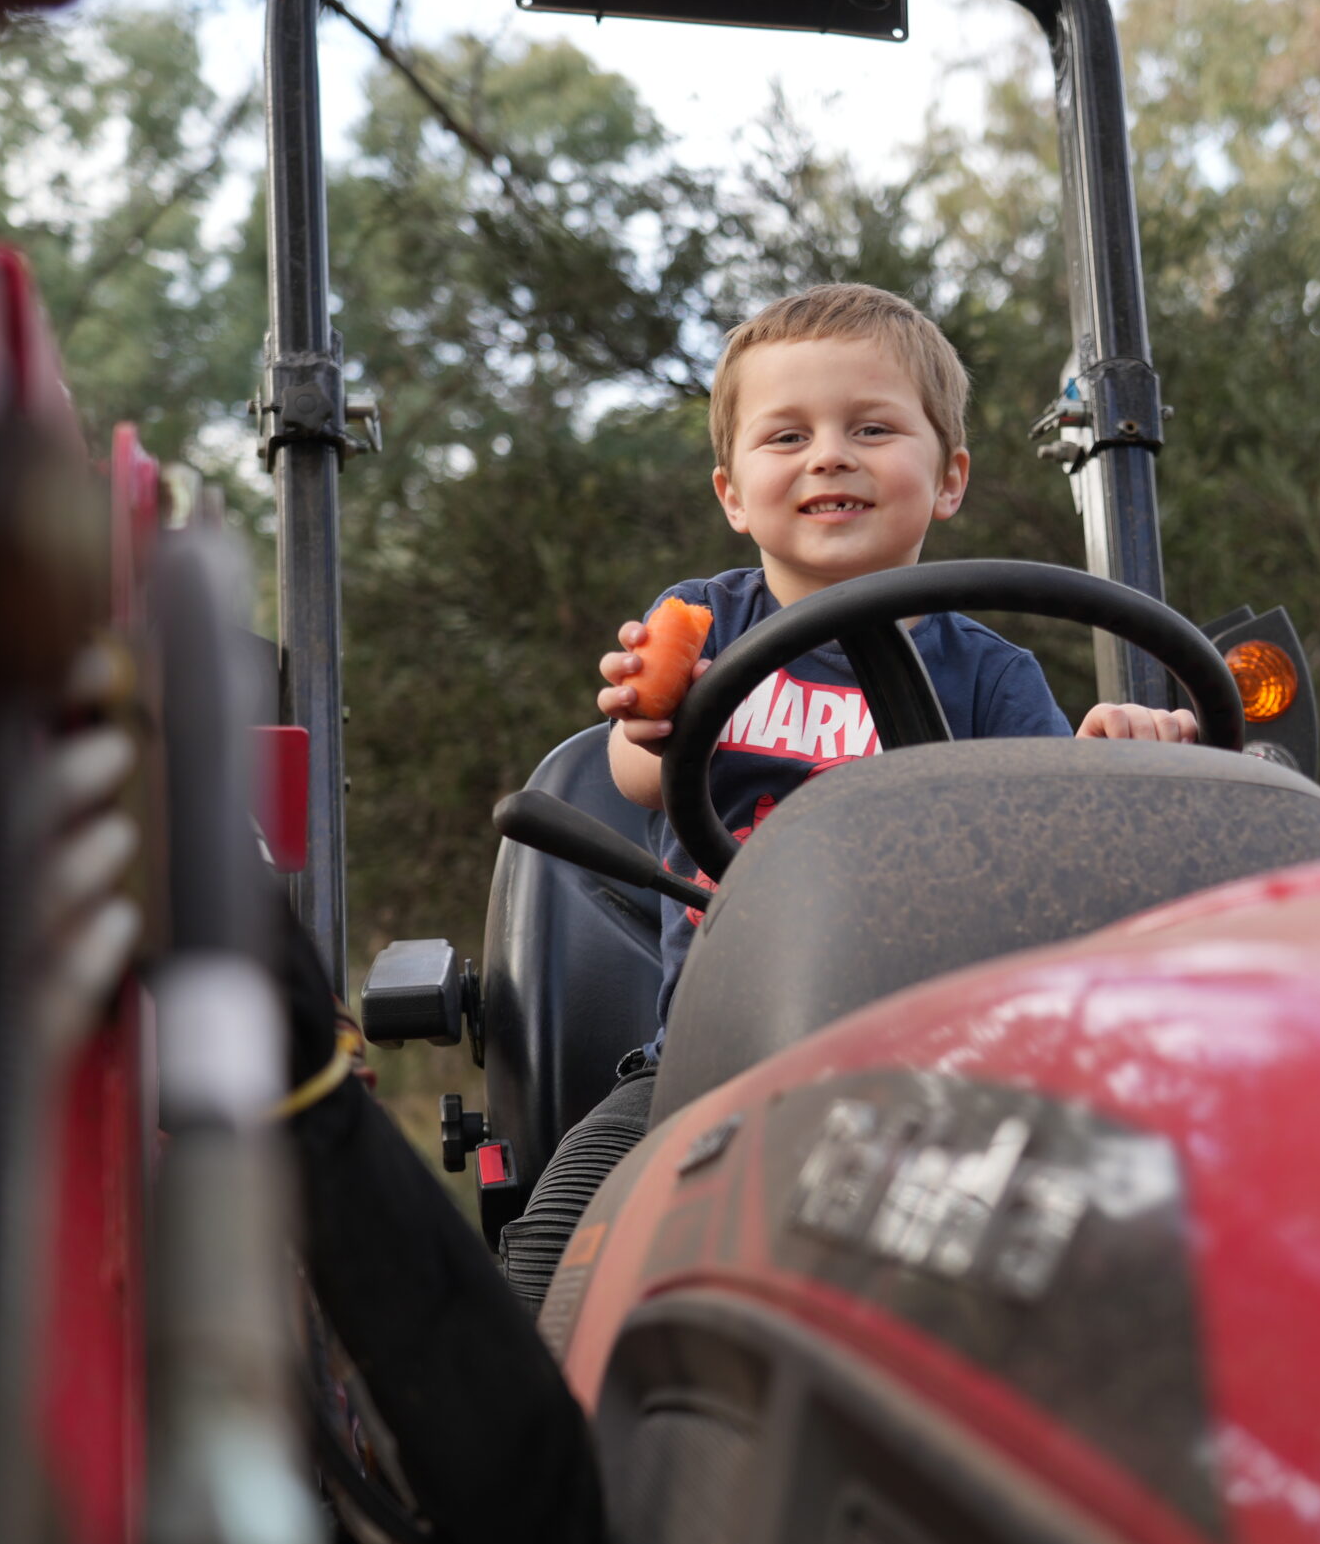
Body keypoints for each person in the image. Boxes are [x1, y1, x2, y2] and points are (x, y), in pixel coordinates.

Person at [494, 284, 1196, 1307]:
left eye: (871, 427)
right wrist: (653, 717)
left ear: (947, 477)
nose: (830, 455)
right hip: (714, 1051)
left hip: (936, 1057)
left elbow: (1054, 839)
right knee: (553, 1244)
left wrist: (1112, 755)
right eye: (788, 436)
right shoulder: (702, 625)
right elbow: (636, 772)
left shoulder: (990, 674)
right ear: (733, 493)